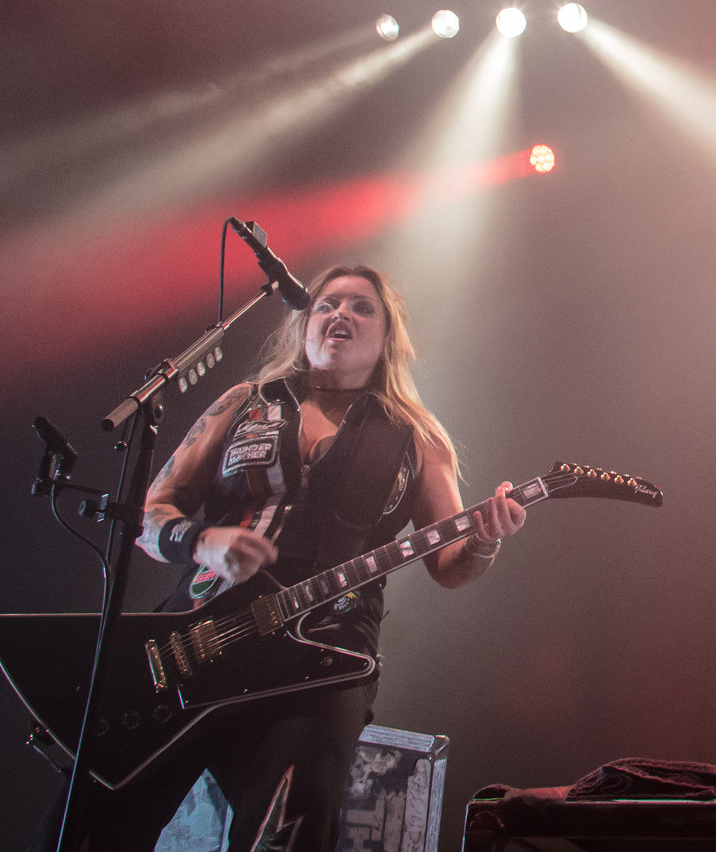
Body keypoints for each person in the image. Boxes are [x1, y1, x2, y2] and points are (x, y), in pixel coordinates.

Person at [30, 264, 524, 851]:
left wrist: (486, 539)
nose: (340, 314)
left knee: (287, 829)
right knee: (88, 821)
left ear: (389, 336)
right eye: (327, 304)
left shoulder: (418, 437)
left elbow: (450, 566)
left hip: (324, 659)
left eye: (362, 307)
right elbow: (150, 510)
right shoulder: (244, 402)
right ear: (304, 323)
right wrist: (201, 541)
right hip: (196, 639)